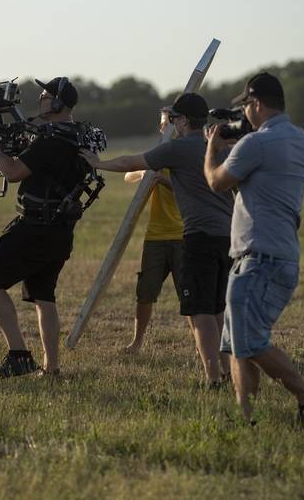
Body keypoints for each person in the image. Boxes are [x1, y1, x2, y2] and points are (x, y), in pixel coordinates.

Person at [204, 72, 304, 427]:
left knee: (250, 343)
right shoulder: (303, 141)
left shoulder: (255, 145)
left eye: (245, 107)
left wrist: (213, 148)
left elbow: (216, 182)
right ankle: (247, 417)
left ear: (256, 104)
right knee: (234, 345)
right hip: (277, 253)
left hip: (258, 258)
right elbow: (262, 181)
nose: (243, 115)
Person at [81, 93, 233, 387]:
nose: (172, 124)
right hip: (226, 237)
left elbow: (131, 162)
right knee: (217, 310)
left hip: (198, 237)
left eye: (175, 118)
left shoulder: (178, 149)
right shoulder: (216, 147)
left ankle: (215, 380)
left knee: (201, 313)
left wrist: (98, 164)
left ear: (185, 121)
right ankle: (227, 372)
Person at [0, 77, 91, 378]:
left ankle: (18, 355)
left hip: (35, 227)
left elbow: (13, 172)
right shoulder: (77, 135)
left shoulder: (50, 140)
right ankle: (51, 368)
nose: (39, 99)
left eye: (44, 95)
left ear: (56, 103)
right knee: (44, 296)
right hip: (60, 230)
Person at [122, 108, 184, 353]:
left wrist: (162, 180)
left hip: (183, 236)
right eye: (161, 125)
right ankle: (137, 342)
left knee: (189, 297)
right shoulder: (156, 157)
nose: (164, 129)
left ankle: (203, 347)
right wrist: (145, 173)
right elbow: (128, 175)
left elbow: (191, 188)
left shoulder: (186, 156)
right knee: (145, 293)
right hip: (155, 237)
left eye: (168, 124)